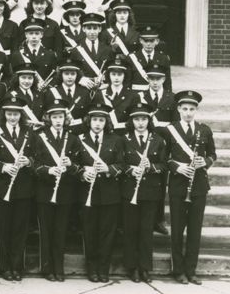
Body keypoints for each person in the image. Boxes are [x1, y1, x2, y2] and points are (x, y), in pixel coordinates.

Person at [165, 90, 217, 284]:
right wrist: (178, 167)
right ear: (178, 109)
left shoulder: (204, 130)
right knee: (177, 229)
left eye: (192, 109)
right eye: (184, 108)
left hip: (199, 186)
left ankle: (191, 270)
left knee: (195, 230)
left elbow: (213, 154)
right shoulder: (170, 129)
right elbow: (164, 158)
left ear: (196, 110)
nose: (188, 112)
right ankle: (178, 270)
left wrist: (205, 161)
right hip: (178, 185)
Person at [0, 92, 35, 281]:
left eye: (16, 113)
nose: (13, 117)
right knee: (4, 228)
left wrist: (28, 161)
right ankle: (4, 266)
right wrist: (3, 167)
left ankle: (17, 266)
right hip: (2, 187)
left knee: (19, 229)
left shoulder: (29, 133)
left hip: (23, 187)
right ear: (4, 114)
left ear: (20, 115)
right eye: (9, 113)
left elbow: (38, 158)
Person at [76, 106, 125, 282]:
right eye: (95, 120)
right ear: (89, 121)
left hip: (109, 194)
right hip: (87, 193)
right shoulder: (79, 139)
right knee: (89, 232)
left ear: (106, 122)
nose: (97, 124)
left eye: (101, 120)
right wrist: (82, 172)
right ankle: (91, 268)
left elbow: (122, 164)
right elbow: (73, 164)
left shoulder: (116, 140)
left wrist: (109, 169)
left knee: (107, 233)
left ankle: (104, 269)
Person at [121, 104, 169, 283]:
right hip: (129, 191)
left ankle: (145, 268)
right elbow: (119, 162)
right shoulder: (124, 139)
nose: (140, 123)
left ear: (149, 121)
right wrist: (130, 170)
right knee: (130, 230)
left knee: (146, 230)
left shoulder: (158, 139)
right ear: (131, 121)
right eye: (136, 119)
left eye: (144, 119)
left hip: (150, 192)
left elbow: (164, 165)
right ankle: (131, 267)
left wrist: (152, 167)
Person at [34, 103, 80, 281]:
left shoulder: (73, 138)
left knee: (61, 231)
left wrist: (70, 165)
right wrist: (48, 171)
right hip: (45, 190)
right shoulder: (40, 137)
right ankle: (47, 268)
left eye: (60, 117)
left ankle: (59, 268)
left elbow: (78, 165)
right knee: (46, 230)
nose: (58, 121)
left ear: (65, 119)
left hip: (65, 191)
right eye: (54, 117)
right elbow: (34, 164)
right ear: (49, 119)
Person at [73, 12, 112, 91]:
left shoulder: (107, 49)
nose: (92, 32)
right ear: (83, 29)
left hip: (103, 89)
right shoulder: (76, 50)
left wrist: (108, 83)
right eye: (89, 28)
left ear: (100, 29)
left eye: (95, 28)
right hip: (83, 89)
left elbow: (111, 70)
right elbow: (73, 70)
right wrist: (80, 79)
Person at [130, 25, 173, 92]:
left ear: (157, 41)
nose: (148, 44)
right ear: (141, 41)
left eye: (151, 41)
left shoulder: (163, 58)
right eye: (146, 41)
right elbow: (127, 83)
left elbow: (167, 83)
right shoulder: (132, 58)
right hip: (137, 96)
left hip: (156, 97)